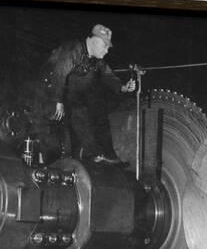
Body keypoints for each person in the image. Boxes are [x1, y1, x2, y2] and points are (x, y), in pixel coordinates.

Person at [37, 24, 136, 165]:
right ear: (95, 41)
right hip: (50, 93)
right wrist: (57, 101)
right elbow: (59, 74)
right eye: (105, 46)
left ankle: (106, 154)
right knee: (76, 116)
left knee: (96, 109)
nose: (106, 51)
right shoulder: (73, 50)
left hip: (69, 97)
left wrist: (123, 88)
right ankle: (93, 154)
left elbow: (108, 75)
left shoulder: (96, 59)